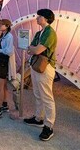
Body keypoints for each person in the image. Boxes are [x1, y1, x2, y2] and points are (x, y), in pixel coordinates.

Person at [24, 9, 57, 141]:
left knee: (47, 96)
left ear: (46, 18)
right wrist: (34, 49)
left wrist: (34, 49)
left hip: (45, 67)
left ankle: (49, 126)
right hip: (36, 65)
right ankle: (39, 118)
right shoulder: (40, 33)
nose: (37, 18)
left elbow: (36, 49)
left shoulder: (50, 33)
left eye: (39, 16)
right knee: (38, 93)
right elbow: (30, 49)